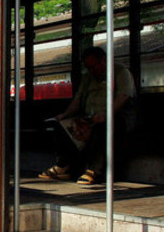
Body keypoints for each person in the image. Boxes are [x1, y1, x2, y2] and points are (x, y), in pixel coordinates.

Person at [39, 47, 137, 185]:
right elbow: (78, 100)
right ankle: (63, 166)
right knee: (62, 126)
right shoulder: (87, 77)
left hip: (116, 117)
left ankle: (94, 170)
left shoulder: (120, 72)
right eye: (88, 68)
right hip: (90, 118)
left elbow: (124, 96)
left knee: (103, 128)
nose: (91, 71)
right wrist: (65, 115)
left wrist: (106, 114)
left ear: (103, 60)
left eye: (93, 66)